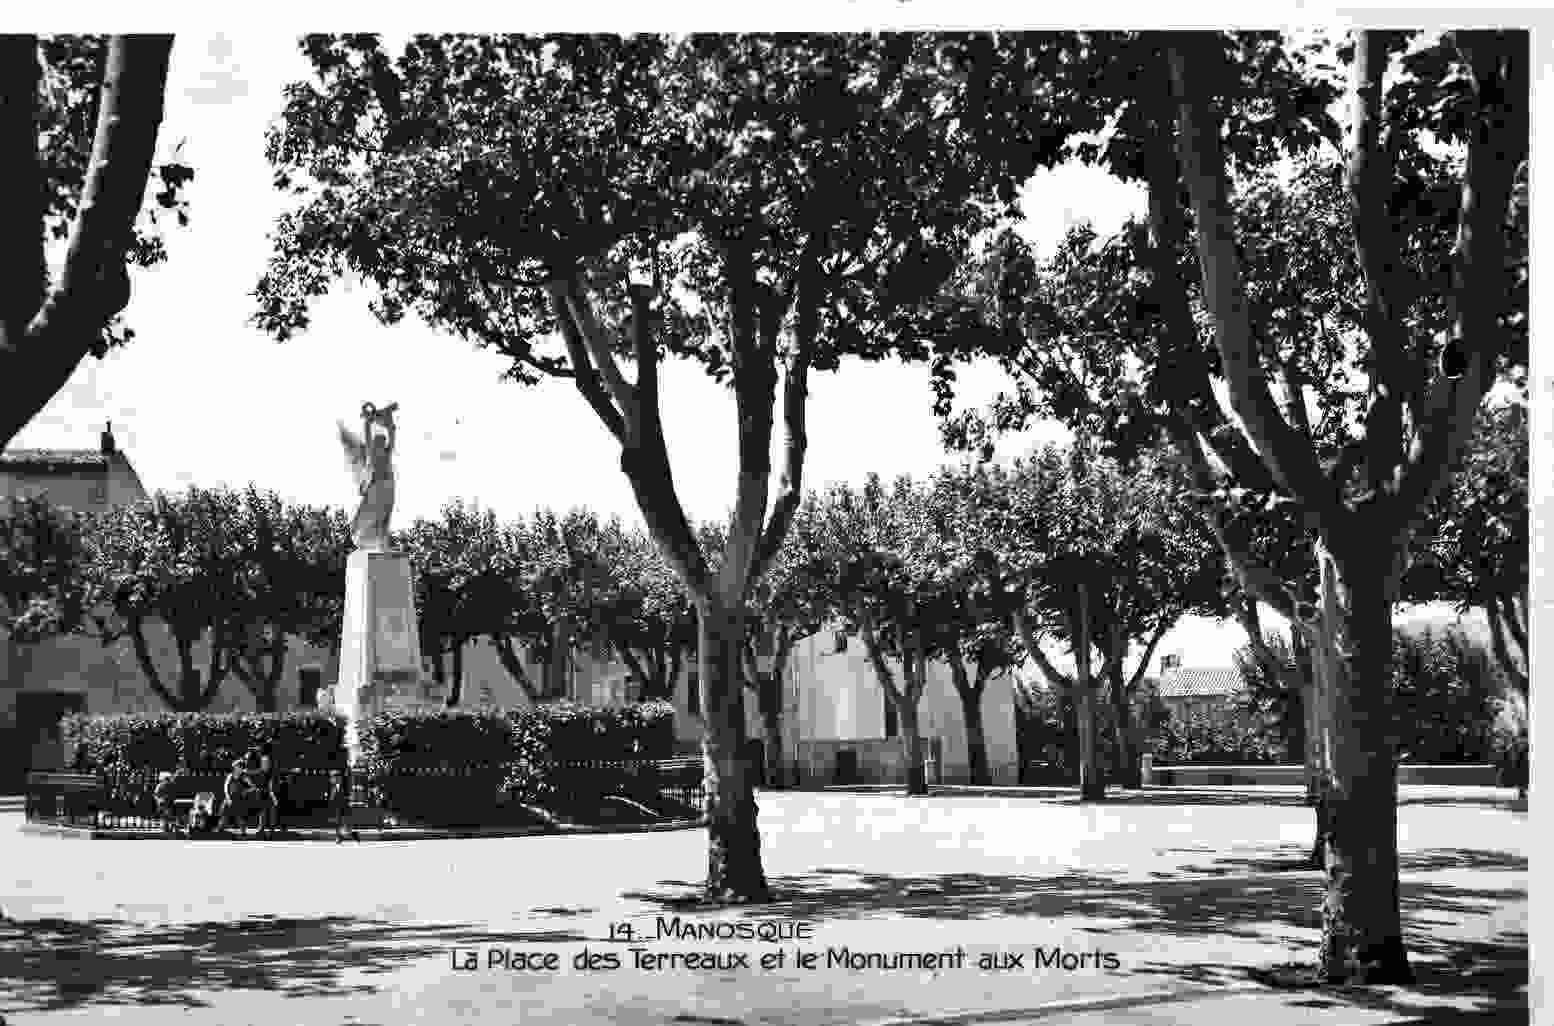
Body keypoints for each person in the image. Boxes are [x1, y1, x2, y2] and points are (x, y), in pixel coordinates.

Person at [329, 768, 358, 843]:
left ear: (338, 778)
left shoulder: (344, 786)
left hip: (344, 806)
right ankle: (339, 837)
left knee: (346, 825)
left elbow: (348, 795)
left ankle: (353, 835)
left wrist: (348, 800)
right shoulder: (333, 787)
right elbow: (333, 796)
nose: (332, 779)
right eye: (332, 777)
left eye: (333, 777)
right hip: (337, 807)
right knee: (338, 824)